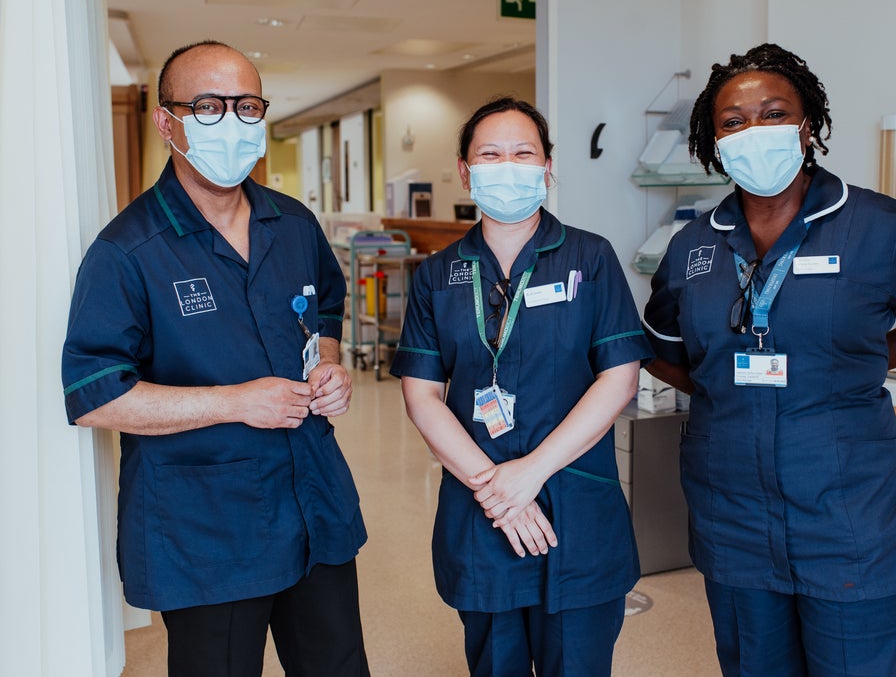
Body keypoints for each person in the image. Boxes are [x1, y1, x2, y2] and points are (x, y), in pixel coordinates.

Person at [642, 43, 896, 677]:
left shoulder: (876, 226)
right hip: (734, 516)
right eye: (733, 121)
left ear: (806, 127)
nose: (754, 130)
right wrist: (726, 387)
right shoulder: (694, 246)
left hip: (849, 520)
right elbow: (663, 352)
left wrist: (874, 356)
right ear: (714, 141)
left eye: (774, 112)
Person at [62, 40, 371, 677]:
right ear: (166, 121)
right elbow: (95, 395)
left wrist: (329, 368)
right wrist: (235, 401)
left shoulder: (294, 225)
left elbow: (327, 314)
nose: (231, 122)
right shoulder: (128, 251)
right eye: (208, 106)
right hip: (207, 530)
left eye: (246, 105)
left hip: (314, 505)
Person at [389, 97, 652, 676]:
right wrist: (497, 492)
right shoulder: (438, 275)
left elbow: (619, 375)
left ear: (548, 167)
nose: (507, 166)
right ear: (465, 170)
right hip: (481, 511)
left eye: (522, 153)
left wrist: (530, 473)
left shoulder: (590, 257)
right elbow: (422, 394)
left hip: (576, 505)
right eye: (490, 154)